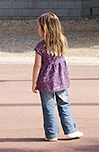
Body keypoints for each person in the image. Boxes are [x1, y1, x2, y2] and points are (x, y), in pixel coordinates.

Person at [32, 12, 84, 142]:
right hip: (60, 80)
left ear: (45, 29)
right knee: (64, 104)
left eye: (39, 27)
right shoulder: (62, 41)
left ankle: (51, 134)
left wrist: (34, 82)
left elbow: (37, 66)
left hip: (45, 82)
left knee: (48, 107)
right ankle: (70, 130)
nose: (38, 29)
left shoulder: (40, 47)